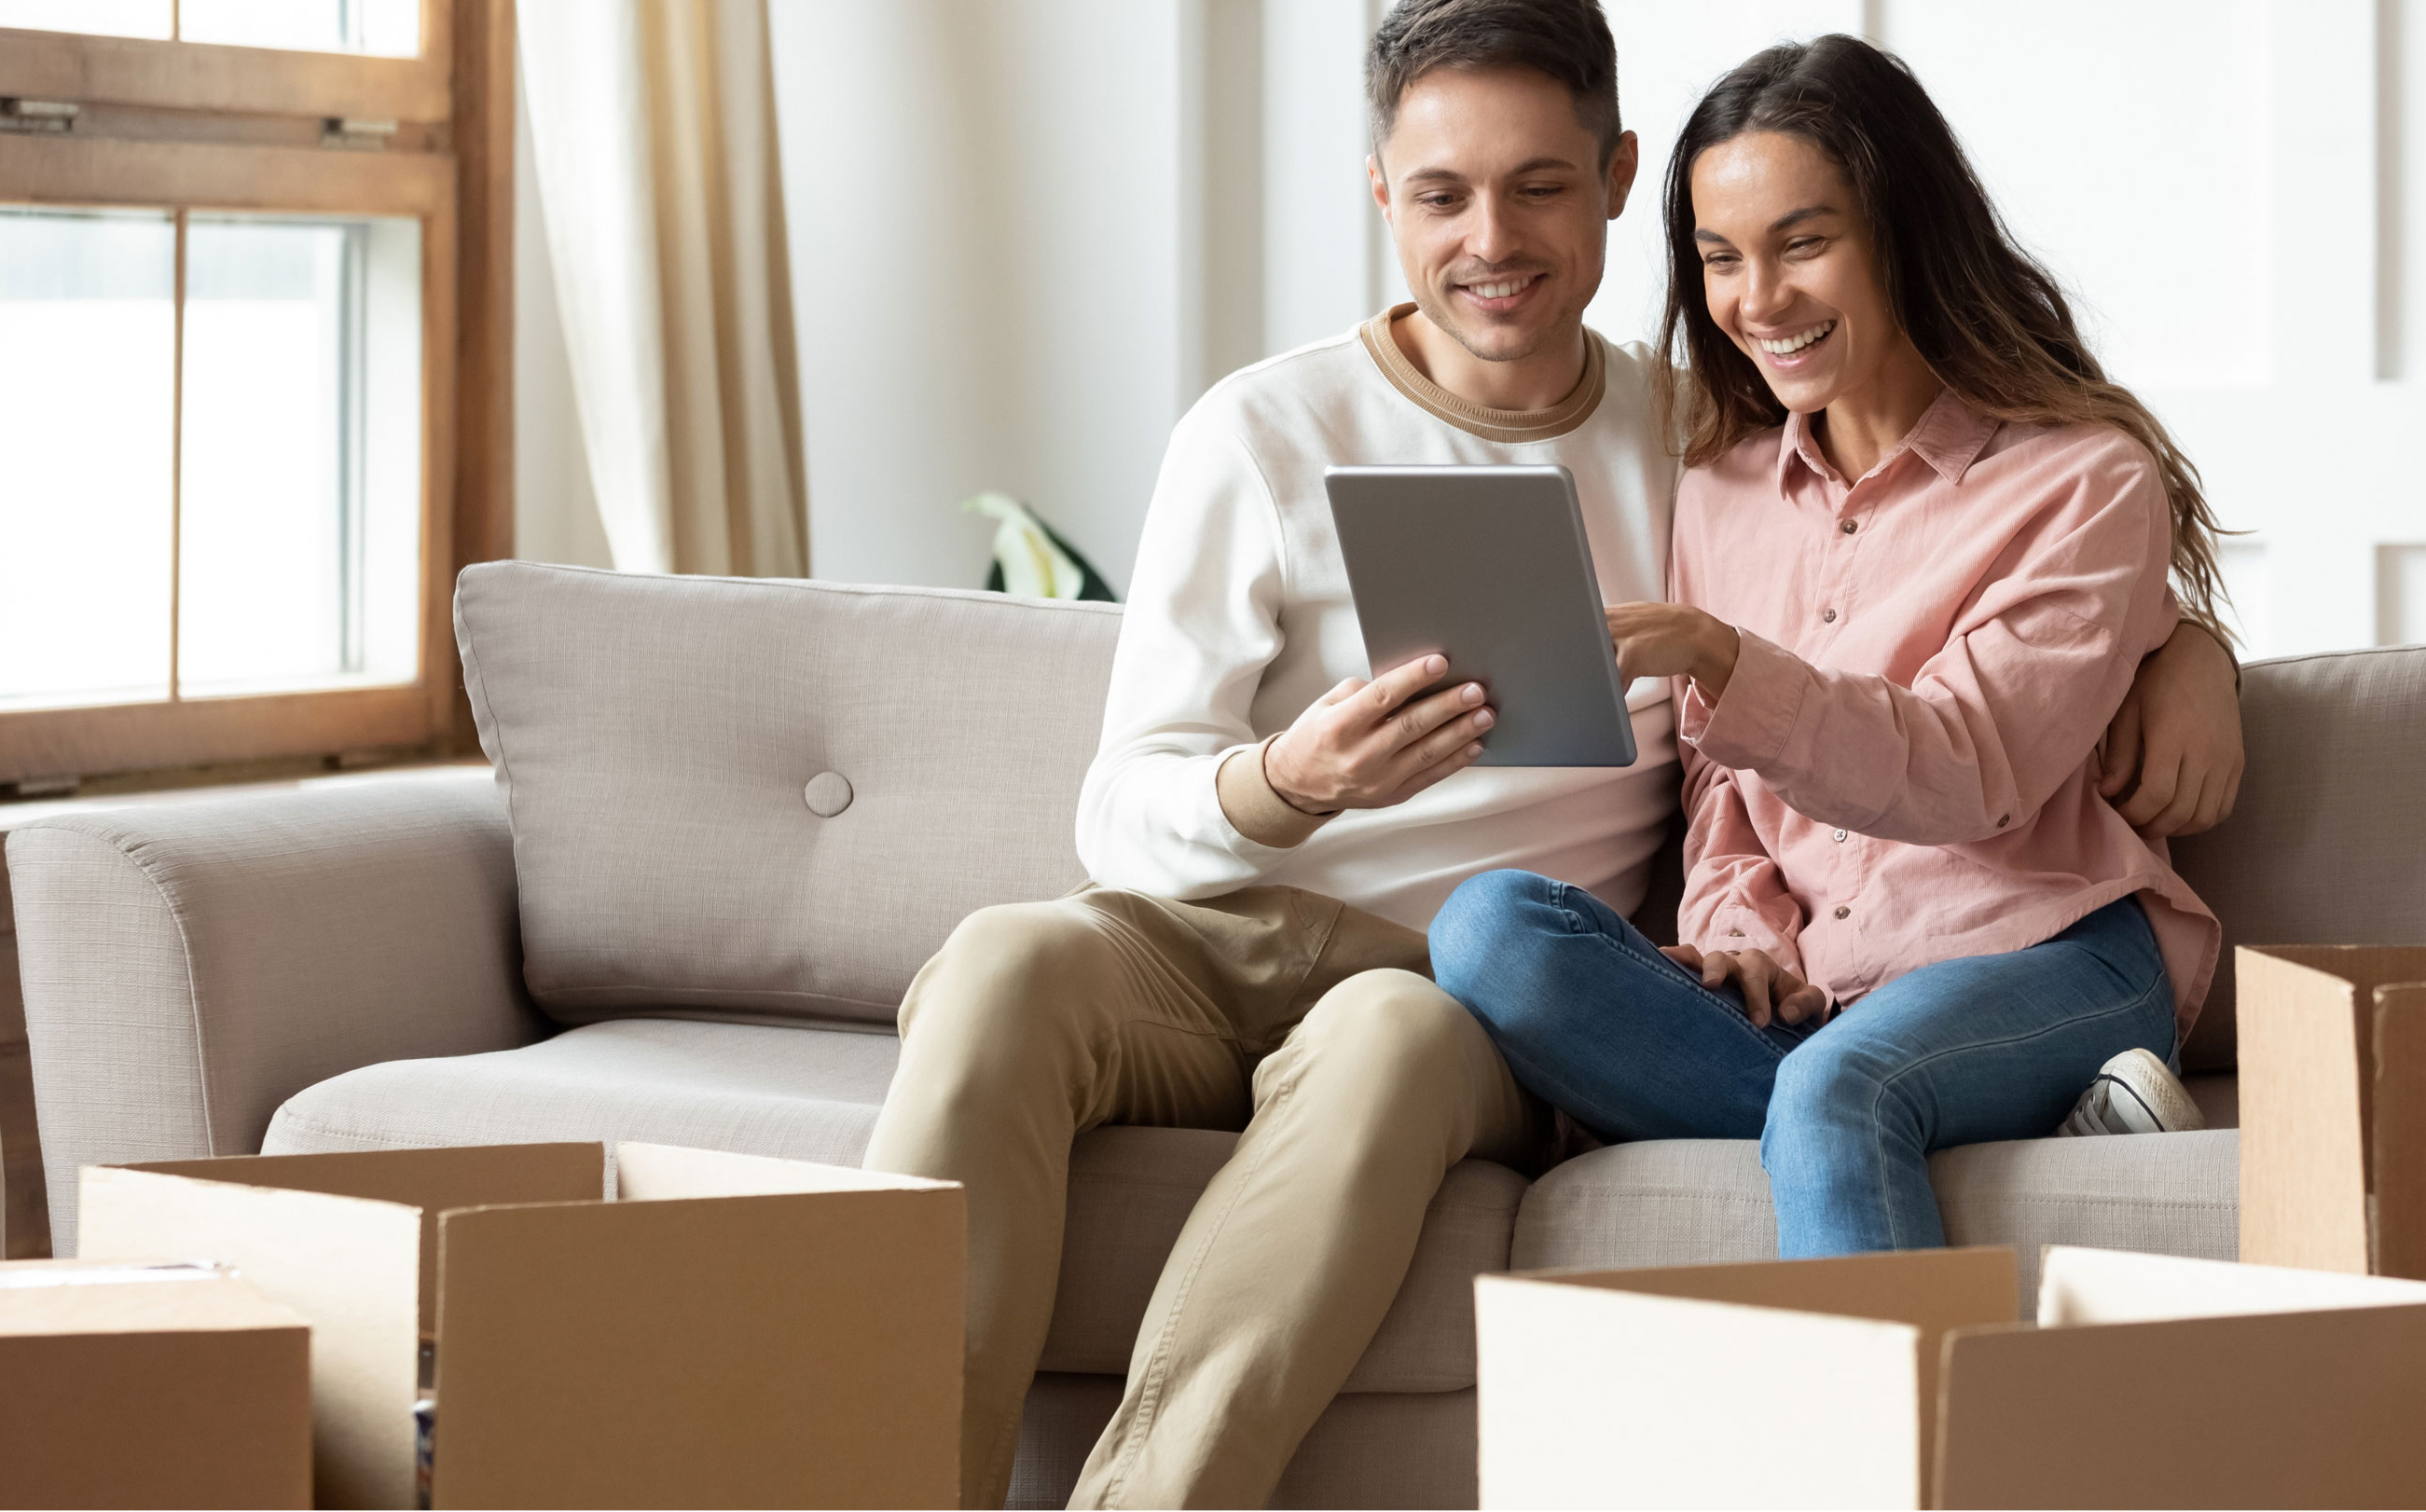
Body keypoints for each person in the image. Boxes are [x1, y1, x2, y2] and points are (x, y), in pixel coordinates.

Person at [862, 4, 2248, 1505]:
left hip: (1459, 992)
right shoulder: (1277, 434)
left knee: (1441, 991)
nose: (1490, 238)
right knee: (1005, 962)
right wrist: (1294, 784)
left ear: (1610, 179)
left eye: (1538, 184)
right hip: (1242, 932)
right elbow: (1123, 806)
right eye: (1443, 193)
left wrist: (2191, 648)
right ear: (1381, 193)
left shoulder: (1693, 433)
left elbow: (1977, 582)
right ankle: (860, 1482)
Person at [1430, 34, 2227, 1259]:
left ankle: (1899, 1432)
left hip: (2047, 952)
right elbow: (1724, 792)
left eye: (1804, 243)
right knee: (1488, 933)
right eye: (1720, 260)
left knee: (1837, 1091)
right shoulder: (1720, 487)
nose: (1759, 300)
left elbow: (1973, 763)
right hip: (1826, 999)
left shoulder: (2081, 479)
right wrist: (1742, 930)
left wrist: (1719, 655)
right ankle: (1951, 1126)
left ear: (1906, 230)